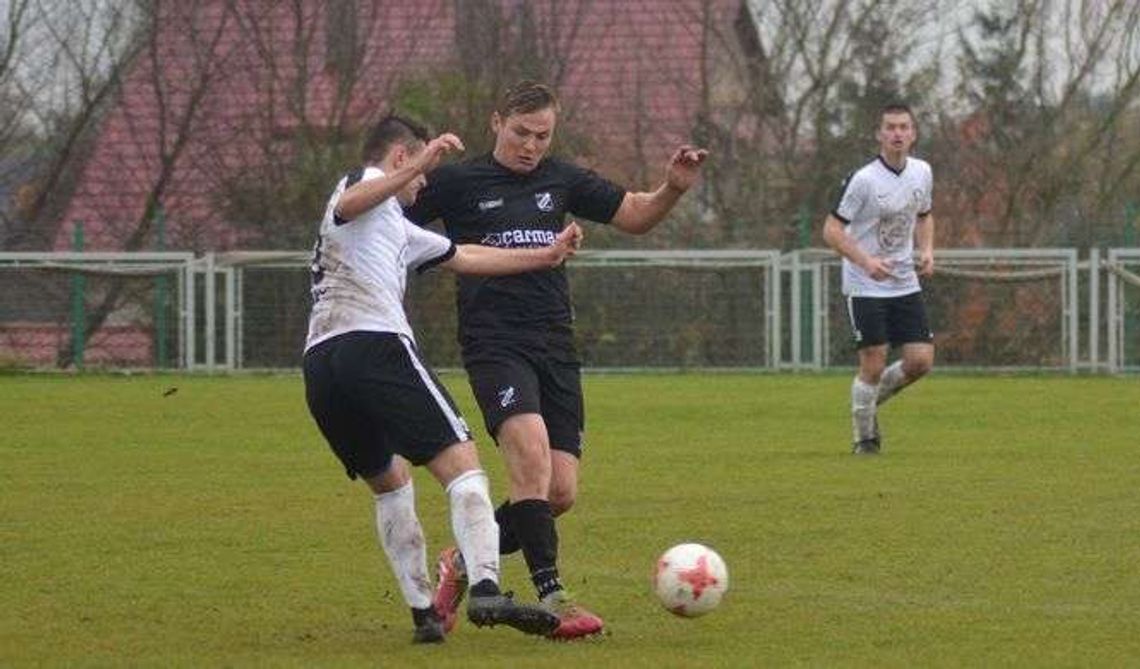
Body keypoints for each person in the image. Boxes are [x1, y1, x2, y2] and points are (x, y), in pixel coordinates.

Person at [404, 80, 709, 639]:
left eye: (542, 135)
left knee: (558, 491)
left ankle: (462, 563)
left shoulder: (561, 178)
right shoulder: (456, 183)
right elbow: (390, 218)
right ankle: (555, 596)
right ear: (497, 122)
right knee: (530, 458)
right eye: (521, 132)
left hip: (555, 346)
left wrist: (672, 187)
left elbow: (636, 214)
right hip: (494, 343)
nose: (531, 145)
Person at [303, 114, 584, 643]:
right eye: (421, 171)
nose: (426, 184)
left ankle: (422, 614)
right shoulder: (361, 184)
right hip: (375, 345)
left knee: (391, 484)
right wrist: (427, 159)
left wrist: (544, 255)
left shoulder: (396, 228)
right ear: (402, 158)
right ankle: (485, 587)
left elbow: (467, 256)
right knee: (464, 466)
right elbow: (348, 205)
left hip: (321, 366)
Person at [822, 102, 936, 455]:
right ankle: (864, 438)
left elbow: (925, 215)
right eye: (891, 127)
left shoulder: (922, 172)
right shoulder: (864, 180)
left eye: (904, 127)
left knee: (921, 361)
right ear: (879, 135)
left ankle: (865, 405)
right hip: (864, 281)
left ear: (913, 133)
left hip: (903, 281)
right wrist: (865, 261)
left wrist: (928, 250)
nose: (897, 133)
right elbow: (831, 230)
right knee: (873, 361)